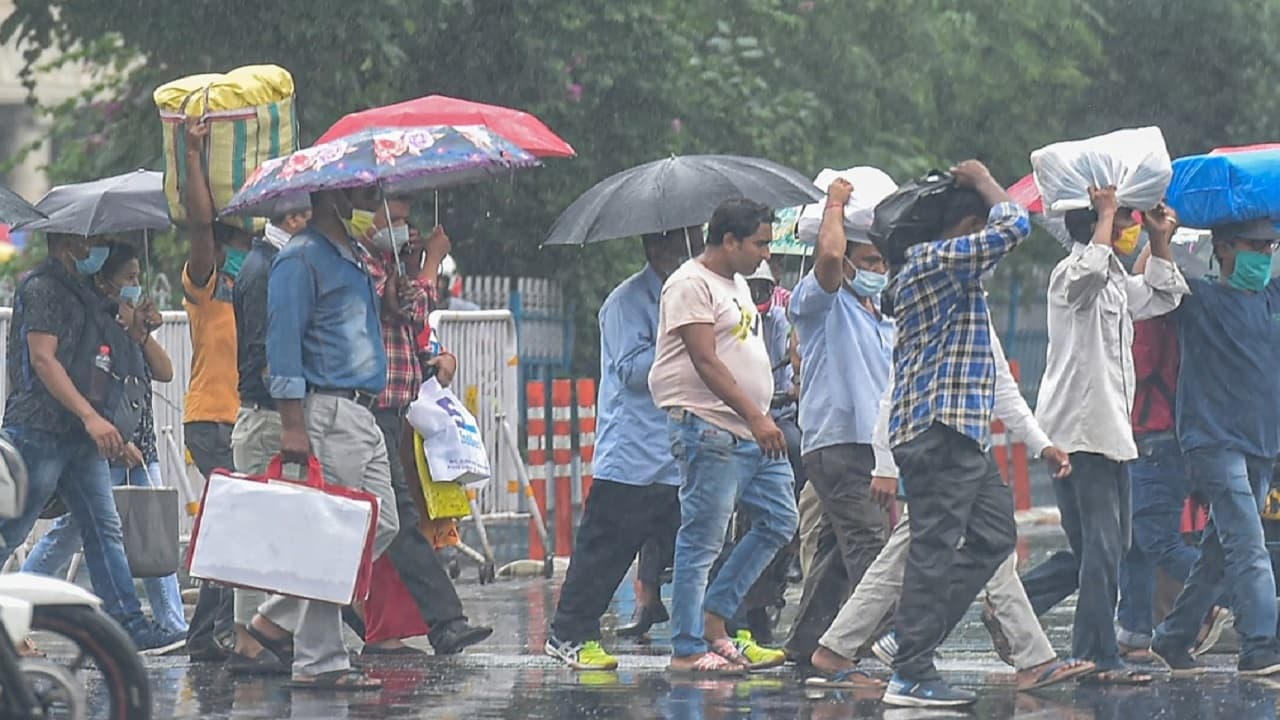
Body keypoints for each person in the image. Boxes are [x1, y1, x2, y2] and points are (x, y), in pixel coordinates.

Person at [806, 319, 1093, 692]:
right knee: (989, 546)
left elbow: (1001, 388)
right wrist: (885, 465)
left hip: (972, 452)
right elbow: (897, 393)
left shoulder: (978, 311)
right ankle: (1024, 657)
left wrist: (1041, 444)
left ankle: (843, 646)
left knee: (942, 550)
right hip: (938, 451)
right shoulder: (934, 306)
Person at [236, 182, 402, 690]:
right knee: (334, 531)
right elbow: (283, 342)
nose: (375, 198)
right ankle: (319, 660)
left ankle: (274, 616)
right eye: (365, 190)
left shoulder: (349, 256)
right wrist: (292, 423)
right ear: (334, 197)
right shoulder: (300, 259)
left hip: (360, 411)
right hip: (327, 410)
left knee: (378, 524)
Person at [1025, 188, 1187, 684]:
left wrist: (1161, 242)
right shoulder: (1070, 274)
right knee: (1100, 546)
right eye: (1123, 225)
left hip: (1113, 431)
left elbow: (1164, 294)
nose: (1128, 231)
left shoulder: (1116, 282)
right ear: (1102, 227)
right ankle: (1096, 654)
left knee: (1110, 545)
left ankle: (1018, 605)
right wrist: (1106, 215)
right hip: (1079, 431)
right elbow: (1087, 275)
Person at [878, 160, 1024, 707]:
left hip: (961, 432)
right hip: (938, 429)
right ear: (965, 228)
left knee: (992, 534)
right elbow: (1014, 226)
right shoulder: (936, 260)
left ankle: (910, 636)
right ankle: (911, 673)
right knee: (934, 549)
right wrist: (984, 180)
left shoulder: (942, 269)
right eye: (977, 230)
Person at [0, 232, 184, 652]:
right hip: (41, 429)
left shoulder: (84, 293)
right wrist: (90, 416)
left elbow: (115, 359)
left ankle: (127, 626)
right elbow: (43, 359)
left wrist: (139, 328)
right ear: (67, 244)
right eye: (89, 242)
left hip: (79, 437)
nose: (94, 249)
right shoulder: (43, 287)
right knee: (12, 528)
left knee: (104, 529)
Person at [649, 198, 798, 674]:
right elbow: (706, 360)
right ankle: (688, 647)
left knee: (779, 519)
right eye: (759, 243)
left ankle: (716, 619)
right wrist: (756, 415)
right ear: (729, 240)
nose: (766, 254)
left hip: (753, 430)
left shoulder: (735, 282)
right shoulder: (689, 284)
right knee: (702, 539)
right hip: (711, 429)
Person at [545, 227, 701, 670]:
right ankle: (569, 633)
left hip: (679, 450)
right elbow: (631, 370)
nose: (691, 254)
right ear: (656, 249)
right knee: (606, 548)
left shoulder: (694, 296)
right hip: (633, 453)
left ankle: (708, 632)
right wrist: (683, 341)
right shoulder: (626, 303)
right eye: (682, 245)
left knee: (697, 544)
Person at [353, 197, 493, 657]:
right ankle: (442, 622)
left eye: (408, 222)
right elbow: (410, 312)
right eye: (394, 220)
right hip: (370, 411)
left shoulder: (386, 269)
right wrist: (431, 261)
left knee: (389, 521)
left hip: (395, 410)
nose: (404, 231)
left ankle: (406, 622)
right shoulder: (363, 267)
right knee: (393, 521)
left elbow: (414, 332)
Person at [1149, 218, 1280, 677]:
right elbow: (1160, 279)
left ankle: (1173, 635)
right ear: (1222, 249)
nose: (1264, 255)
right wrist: (1159, 237)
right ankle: (1261, 644)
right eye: (1255, 246)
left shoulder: (1271, 299)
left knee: (1218, 554)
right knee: (1248, 543)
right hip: (1213, 441)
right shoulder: (1198, 300)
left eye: (1271, 246)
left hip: (1263, 443)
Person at [783, 178, 893, 664]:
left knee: (833, 557)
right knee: (874, 550)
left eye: (881, 262)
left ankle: (807, 646)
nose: (877, 271)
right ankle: (883, 648)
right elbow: (826, 262)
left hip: (866, 448)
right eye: (868, 262)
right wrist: (834, 205)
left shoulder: (879, 314)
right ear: (847, 260)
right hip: (838, 445)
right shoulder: (820, 303)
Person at [225, 199, 311, 674]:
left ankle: (259, 632)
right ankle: (249, 638)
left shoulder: (272, 265)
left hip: (269, 413)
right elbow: (262, 351)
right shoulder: (264, 271)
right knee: (258, 531)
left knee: (272, 528)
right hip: (265, 414)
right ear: (294, 219)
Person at [1116, 314, 1230, 661]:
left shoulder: (1154, 318)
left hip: (1157, 438)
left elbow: (1139, 367)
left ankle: (1224, 595)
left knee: (1159, 542)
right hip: (1154, 438)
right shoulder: (1183, 319)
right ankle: (1135, 632)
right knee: (1135, 541)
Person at [181, 118, 249, 660]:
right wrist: (194, 154)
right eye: (240, 244)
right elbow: (200, 225)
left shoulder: (258, 287)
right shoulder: (208, 286)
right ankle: (208, 634)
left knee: (237, 521)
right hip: (211, 419)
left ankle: (209, 633)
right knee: (235, 520)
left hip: (244, 421)